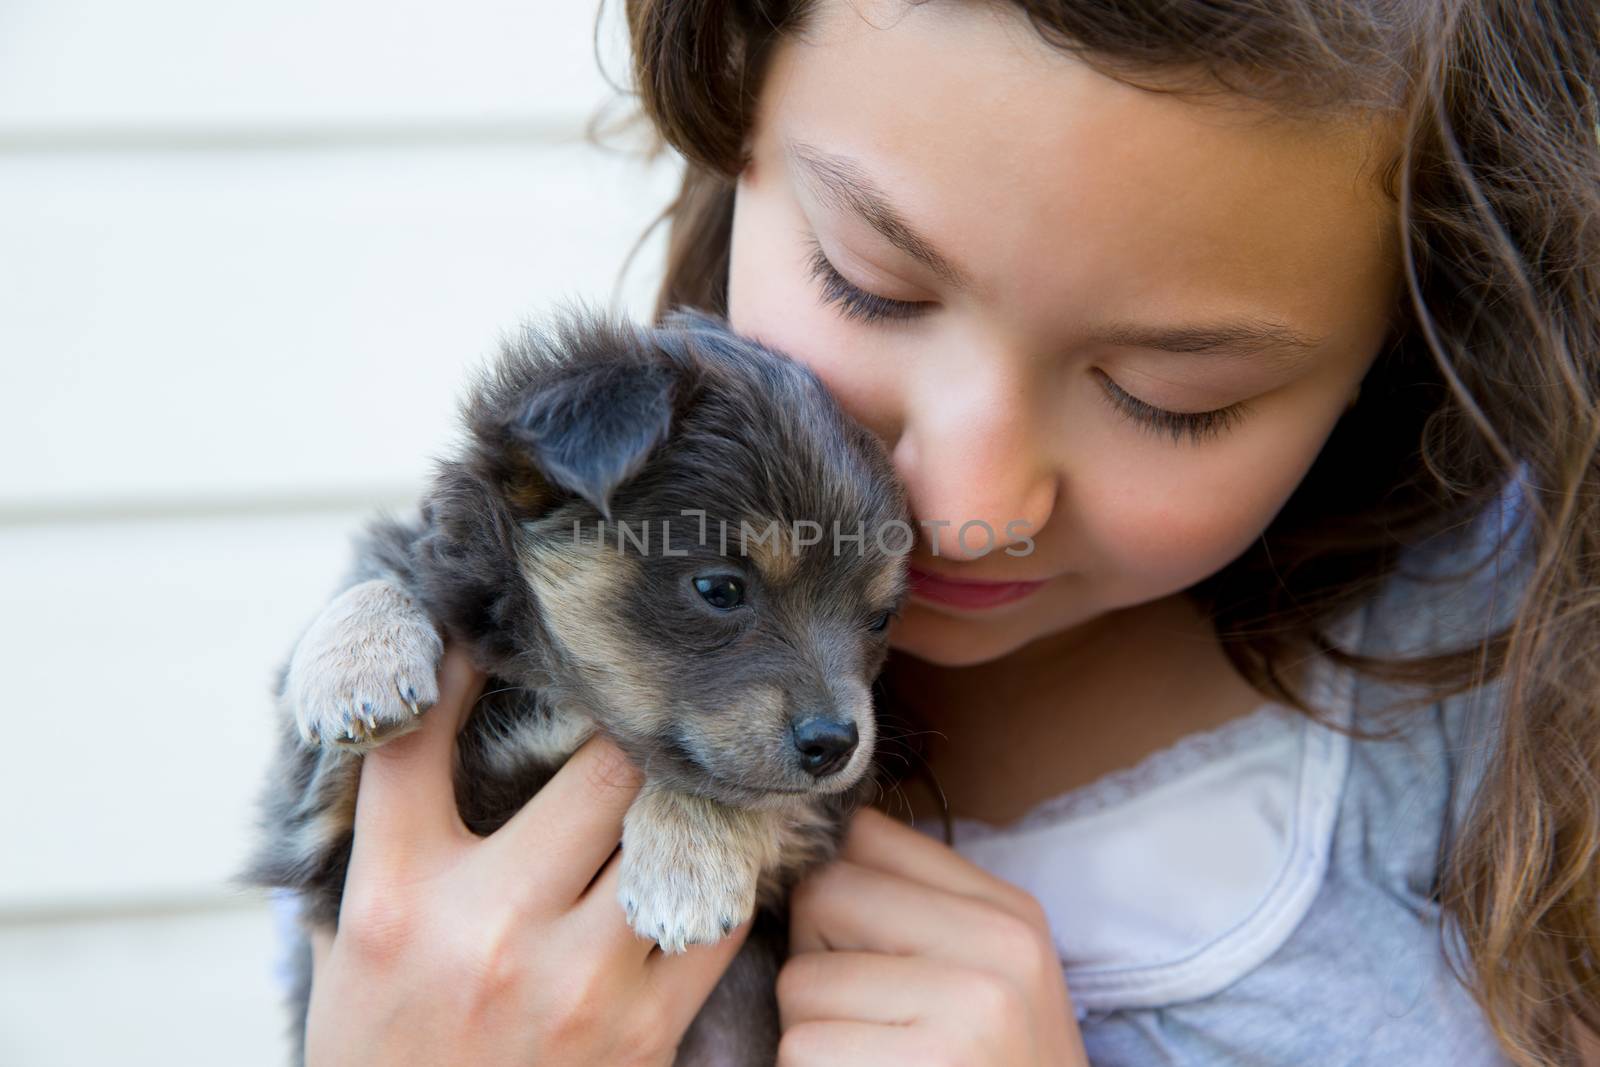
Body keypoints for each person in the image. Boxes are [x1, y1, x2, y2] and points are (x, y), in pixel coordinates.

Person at [290, 1, 1599, 1064]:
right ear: (733, 87)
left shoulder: (1524, 688)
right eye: (876, 284)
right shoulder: (521, 618)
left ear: (1419, 335)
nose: (968, 503)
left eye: (1170, 396)